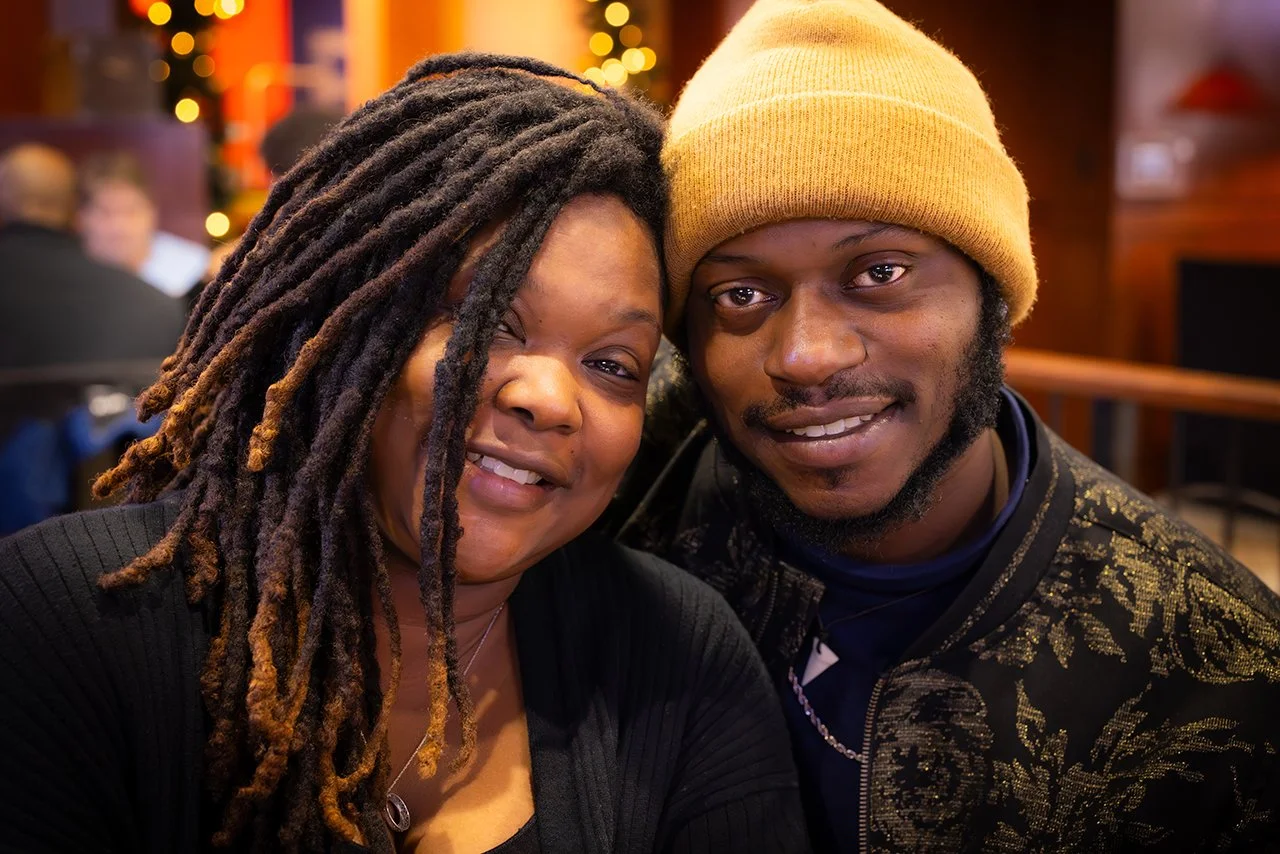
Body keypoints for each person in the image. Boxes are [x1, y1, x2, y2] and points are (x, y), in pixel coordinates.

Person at [0, 55, 806, 853]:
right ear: (344, 323)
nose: (550, 399)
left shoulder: (678, 656)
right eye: (489, 320)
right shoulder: (64, 625)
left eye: (612, 364)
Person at [613, 1, 1280, 850]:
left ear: (991, 295)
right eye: (741, 295)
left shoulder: (1222, 676)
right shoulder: (632, 515)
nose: (808, 355)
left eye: (879, 272)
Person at [78, 150, 211, 299]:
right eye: (105, 212)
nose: (119, 227)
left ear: (152, 212)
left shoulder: (194, 270)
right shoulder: (67, 278)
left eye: (131, 211)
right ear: (81, 217)